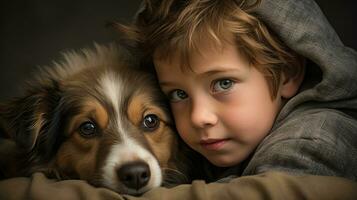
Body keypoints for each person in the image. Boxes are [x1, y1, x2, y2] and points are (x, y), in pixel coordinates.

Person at [0, 0, 357, 199]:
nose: (200, 116)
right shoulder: (217, 142)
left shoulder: (316, 139)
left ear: (289, 73)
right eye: (179, 95)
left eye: (224, 83)